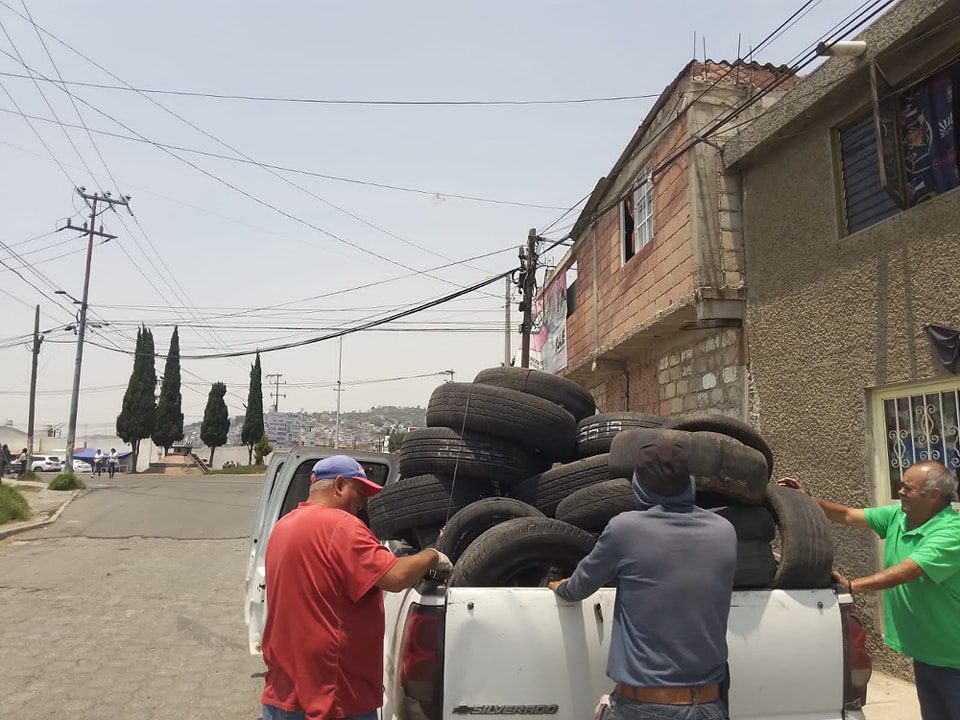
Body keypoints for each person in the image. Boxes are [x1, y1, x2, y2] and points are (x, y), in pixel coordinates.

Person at [549, 435, 737, 720]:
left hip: (644, 709)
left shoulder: (625, 529)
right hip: (710, 707)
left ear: (639, 484)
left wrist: (561, 586)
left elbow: (581, 585)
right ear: (689, 482)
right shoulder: (725, 531)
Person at [260, 454, 452, 720]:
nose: (362, 504)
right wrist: (432, 555)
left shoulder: (283, 527)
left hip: (283, 693)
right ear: (339, 485)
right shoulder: (343, 526)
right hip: (332, 699)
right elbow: (395, 576)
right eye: (359, 491)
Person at [778, 462, 960, 720]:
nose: (900, 491)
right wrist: (807, 500)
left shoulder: (951, 532)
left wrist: (853, 586)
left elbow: (910, 570)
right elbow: (848, 515)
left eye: (908, 488)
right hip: (928, 652)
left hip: (954, 658)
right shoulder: (900, 517)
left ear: (933, 496)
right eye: (901, 484)